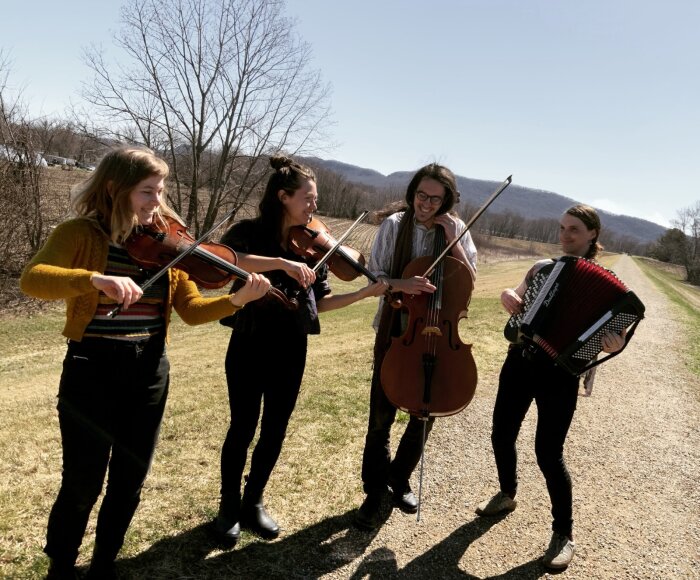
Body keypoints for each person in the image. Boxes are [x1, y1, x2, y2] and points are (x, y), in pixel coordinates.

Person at [20, 145, 271, 580]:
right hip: (91, 366)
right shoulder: (81, 232)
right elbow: (33, 279)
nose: (157, 201)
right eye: (147, 191)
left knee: (129, 480)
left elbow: (191, 310)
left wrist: (235, 300)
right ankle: (61, 565)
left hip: (150, 369)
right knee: (82, 482)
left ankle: (104, 563)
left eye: (160, 191)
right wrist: (95, 279)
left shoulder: (169, 242)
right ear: (115, 188)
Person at [212, 155, 386, 545]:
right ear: (283, 196)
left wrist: (362, 292)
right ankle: (228, 506)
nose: (314, 207)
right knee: (242, 426)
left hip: (290, 348)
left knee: (275, 428)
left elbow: (317, 303)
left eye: (316, 199)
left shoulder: (313, 246)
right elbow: (228, 263)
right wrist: (281, 264)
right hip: (249, 341)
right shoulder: (248, 233)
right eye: (308, 198)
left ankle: (253, 501)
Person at [475, 204, 626, 570]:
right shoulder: (542, 268)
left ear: (592, 234)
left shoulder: (608, 286)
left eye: (573, 229)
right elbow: (516, 295)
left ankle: (564, 533)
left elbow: (618, 337)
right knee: (501, 433)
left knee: (548, 454)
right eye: (561, 228)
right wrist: (507, 296)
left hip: (561, 373)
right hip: (521, 360)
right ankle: (507, 493)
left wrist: (613, 344)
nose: (565, 235)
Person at [354, 163, 478, 531]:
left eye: (435, 199)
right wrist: (402, 284)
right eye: (421, 195)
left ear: (447, 200)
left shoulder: (456, 229)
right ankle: (373, 490)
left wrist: (456, 239)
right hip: (396, 329)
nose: (425, 204)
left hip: (441, 331)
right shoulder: (394, 225)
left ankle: (400, 477)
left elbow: (470, 281)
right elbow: (375, 276)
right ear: (412, 193)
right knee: (381, 416)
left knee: (427, 409)